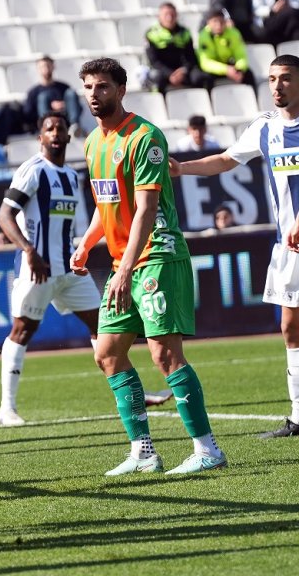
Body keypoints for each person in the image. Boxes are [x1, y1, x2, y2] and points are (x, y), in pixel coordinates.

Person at [71, 57, 227, 475]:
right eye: (88, 87)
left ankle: (206, 448)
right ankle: (143, 451)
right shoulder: (91, 143)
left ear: (121, 90)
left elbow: (145, 210)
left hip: (156, 256)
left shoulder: (144, 138)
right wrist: (87, 245)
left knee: (165, 354)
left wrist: (123, 269)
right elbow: (106, 206)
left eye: (102, 86)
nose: (93, 94)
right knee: (107, 354)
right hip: (124, 262)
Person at [170, 54, 299, 439]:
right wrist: (183, 168)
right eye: (273, 78)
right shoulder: (265, 127)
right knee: (290, 327)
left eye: (287, 79)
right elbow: (226, 160)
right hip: (288, 248)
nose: (277, 86)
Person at [0, 112, 102, 426]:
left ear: (68, 136)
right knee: (23, 330)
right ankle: (7, 408)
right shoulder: (32, 171)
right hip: (37, 269)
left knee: (103, 325)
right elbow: (4, 216)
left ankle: (128, 388)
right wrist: (29, 250)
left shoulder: (70, 175)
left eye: (60, 129)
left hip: (68, 268)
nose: (55, 133)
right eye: (48, 129)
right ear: (41, 137)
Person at [144, 3, 203, 94]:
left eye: (172, 15)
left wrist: (183, 71)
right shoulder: (151, 34)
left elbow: (191, 57)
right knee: (156, 78)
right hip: (163, 72)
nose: (169, 18)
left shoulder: (185, 33)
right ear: (159, 17)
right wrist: (170, 74)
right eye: (166, 15)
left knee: (200, 77)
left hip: (182, 71)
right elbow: (154, 61)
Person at [24, 56, 84, 135]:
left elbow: (77, 107)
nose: (46, 69)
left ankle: (74, 126)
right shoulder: (33, 92)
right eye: (42, 66)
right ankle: (48, 127)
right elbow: (28, 114)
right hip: (45, 123)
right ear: (38, 69)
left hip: (65, 121)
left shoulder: (64, 87)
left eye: (48, 65)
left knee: (71, 93)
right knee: (43, 97)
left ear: (53, 67)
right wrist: (51, 109)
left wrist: (64, 106)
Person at [198, 11, 255, 89]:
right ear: (209, 23)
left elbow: (241, 55)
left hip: (230, 65)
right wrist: (226, 70)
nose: (219, 25)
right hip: (215, 68)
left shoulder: (234, 33)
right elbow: (206, 63)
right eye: (215, 21)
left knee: (248, 74)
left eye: (221, 21)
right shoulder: (203, 36)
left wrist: (238, 69)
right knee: (204, 79)